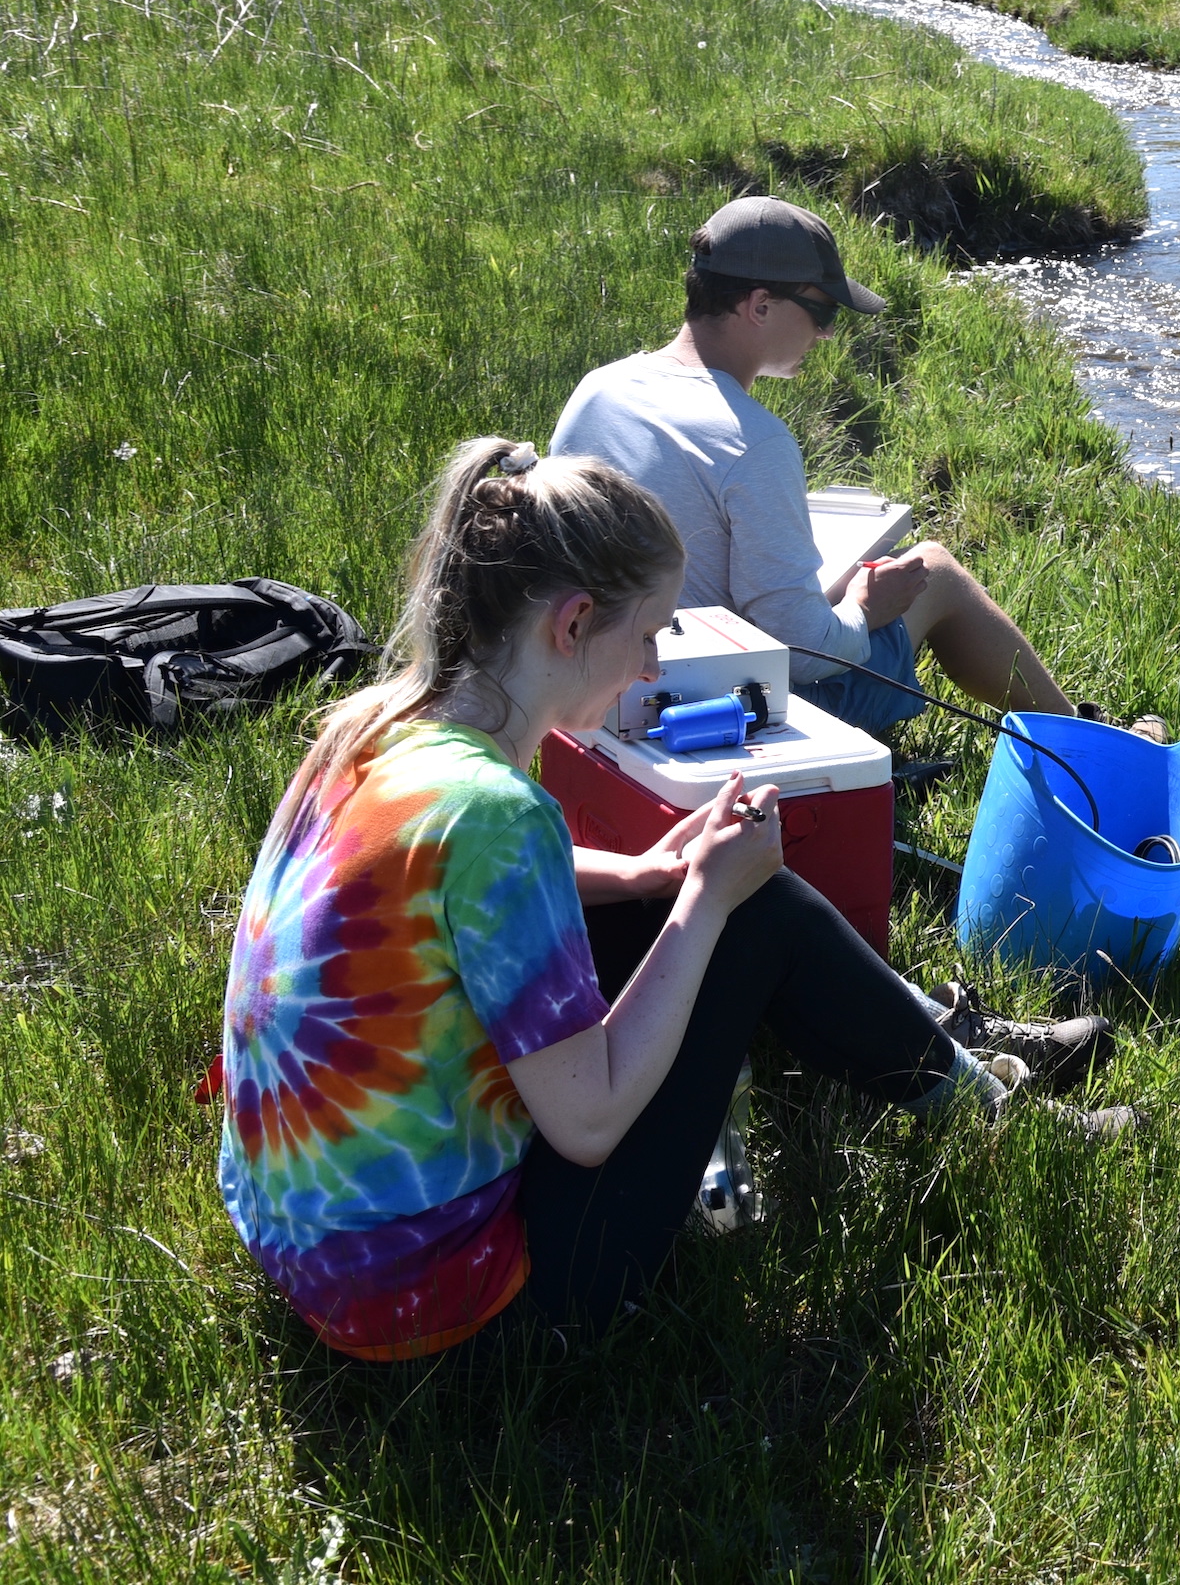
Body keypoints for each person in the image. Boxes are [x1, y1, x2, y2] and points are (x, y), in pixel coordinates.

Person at [216, 438, 1125, 1363]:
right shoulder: (499, 813)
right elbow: (590, 1120)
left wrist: (651, 873)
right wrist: (700, 903)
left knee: (714, 901)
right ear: (572, 625)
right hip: (450, 1304)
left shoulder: (377, 728)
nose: (650, 666)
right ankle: (984, 1113)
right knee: (753, 915)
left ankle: (952, 1062)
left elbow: (441, 896)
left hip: (314, 1246)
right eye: (647, 632)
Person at [549, 195, 1070, 736]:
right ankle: (1087, 739)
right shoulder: (752, 440)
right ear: (759, 306)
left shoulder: (599, 388)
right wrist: (867, 610)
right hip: (713, 712)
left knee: (848, 571)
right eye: (822, 312)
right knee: (934, 571)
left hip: (591, 692)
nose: (826, 334)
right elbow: (804, 654)